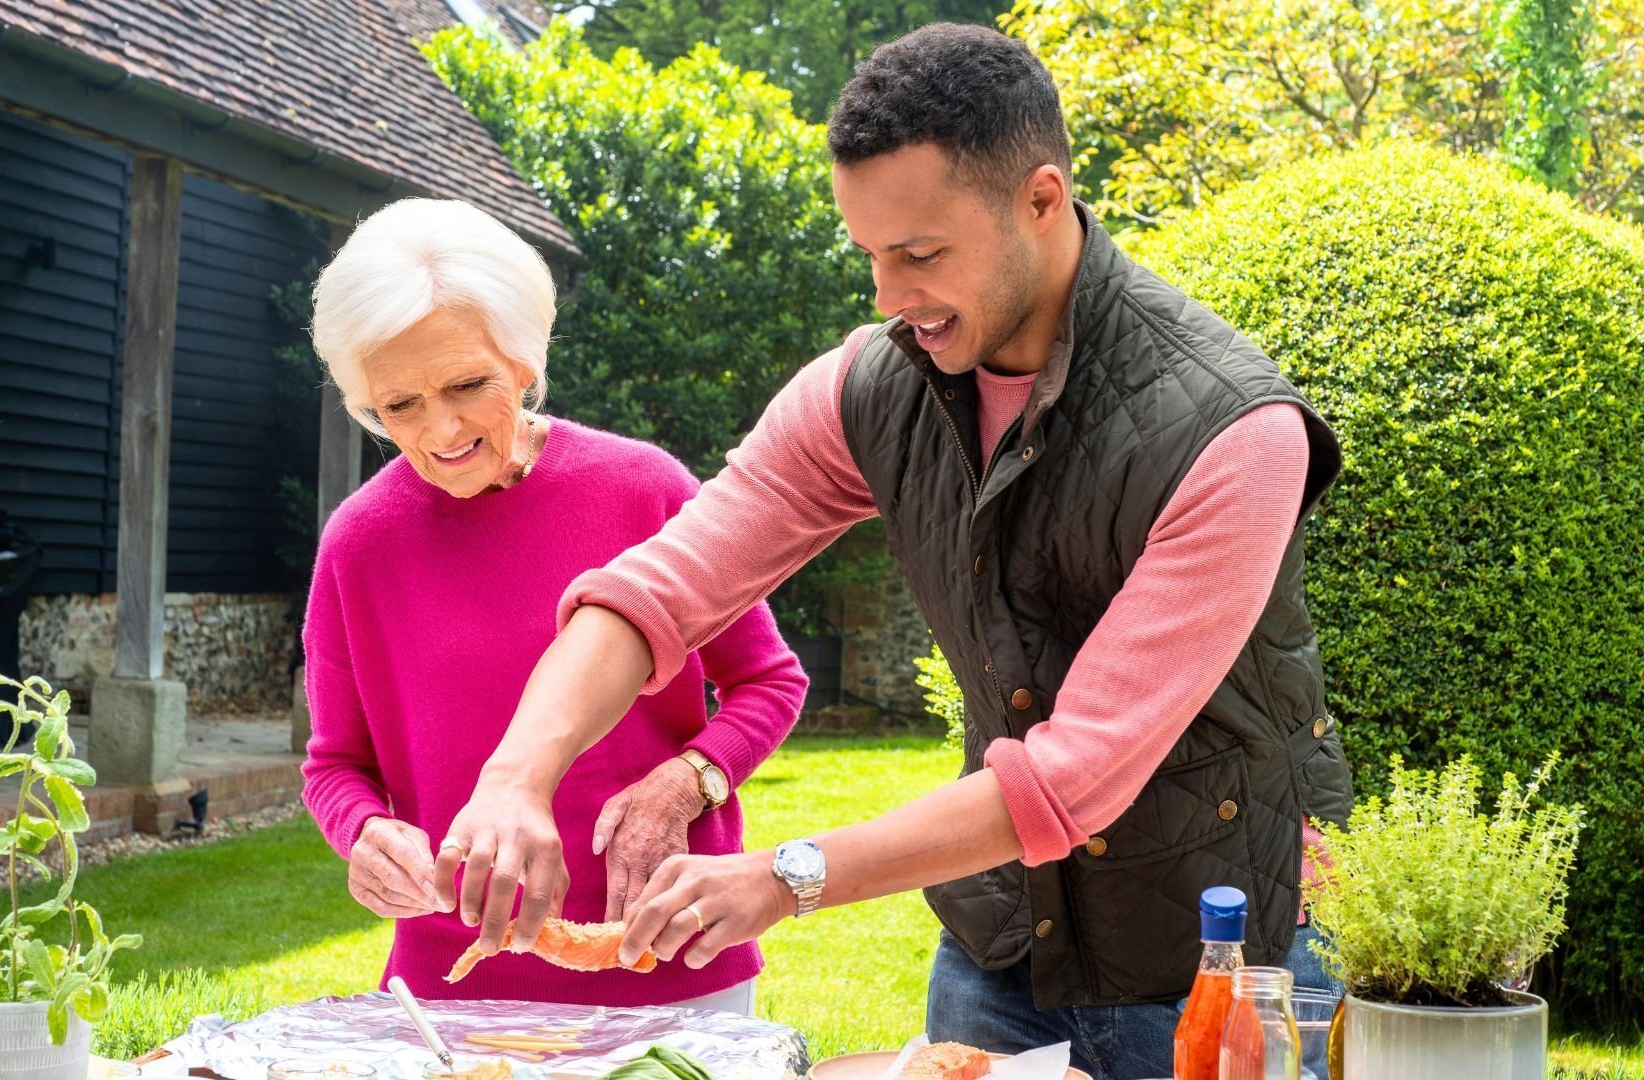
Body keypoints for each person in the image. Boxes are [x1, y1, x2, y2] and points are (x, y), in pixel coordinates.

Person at [438, 24, 1351, 1077]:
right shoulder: (872, 385)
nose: (887, 297)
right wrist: (514, 778)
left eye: (920, 254)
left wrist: (787, 876)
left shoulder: (1234, 431)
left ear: (1041, 200)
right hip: (1001, 952)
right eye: (869, 255)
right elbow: (664, 587)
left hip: (1224, 966)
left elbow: (1075, 771)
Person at [297, 197, 807, 1012]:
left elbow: (769, 683)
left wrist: (685, 783)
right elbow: (335, 766)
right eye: (400, 406)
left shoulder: (645, 488)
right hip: (454, 990)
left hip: (672, 960)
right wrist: (363, 833)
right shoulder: (359, 542)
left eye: (469, 384)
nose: (442, 429)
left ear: (525, 363)